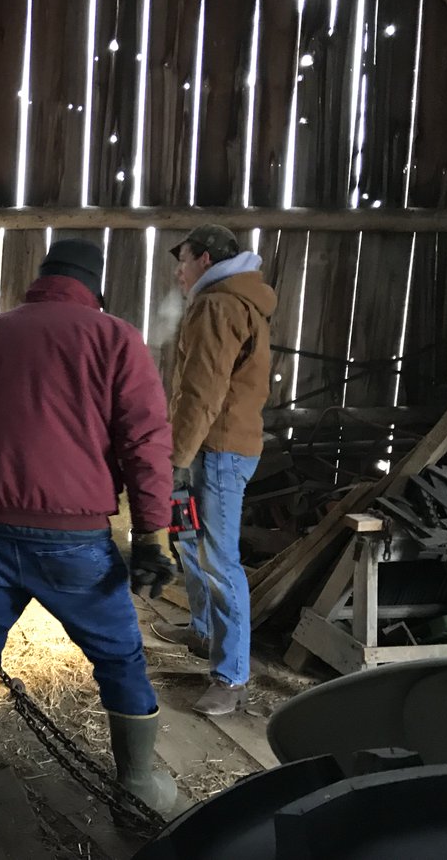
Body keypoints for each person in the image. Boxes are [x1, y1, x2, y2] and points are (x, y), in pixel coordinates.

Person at [0, 238, 178, 844]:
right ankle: (137, 787)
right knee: (118, 657)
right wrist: (152, 534)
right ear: (96, 286)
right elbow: (145, 443)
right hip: (74, 539)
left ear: (43, 279)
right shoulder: (115, 338)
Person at [153, 224, 277, 716]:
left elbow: (203, 394)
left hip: (217, 451)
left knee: (219, 558)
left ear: (205, 259)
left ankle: (231, 676)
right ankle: (203, 630)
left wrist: (177, 461)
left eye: (182, 261)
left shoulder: (218, 305)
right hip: (209, 448)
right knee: (187, 537)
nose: (178, 272)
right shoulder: (227, 300)